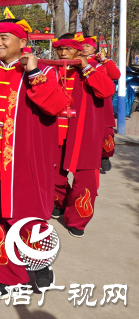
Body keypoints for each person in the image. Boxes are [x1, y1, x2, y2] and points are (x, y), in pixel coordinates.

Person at [0, 18, 68, 296]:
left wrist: (33, 74)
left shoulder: (42, 72)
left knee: (27, 218)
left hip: (24, 162)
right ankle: (7, 278)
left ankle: (39, 264)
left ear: (22, 43)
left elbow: (56, 105)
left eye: (5, 37)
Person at [51, 33, 115, 238]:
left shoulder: (93, 70)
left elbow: (106, 90)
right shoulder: (51, 70)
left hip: (84, 135)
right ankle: (59, 204)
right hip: (54, 135)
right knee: (52, 176)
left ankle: (78, 219)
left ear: (78, 50)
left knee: (85, 181)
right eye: (60, 49)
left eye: (68, 49)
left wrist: (86, 67)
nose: (63, 53)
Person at [79, 34, 120, 172]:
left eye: (88, 46)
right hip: (83, 100)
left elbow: (115, 75)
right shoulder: (74, 62)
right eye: (82, 45)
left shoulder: (100, 63)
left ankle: (105, 155)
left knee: (106, 132)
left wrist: (104, 60)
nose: (84, 48)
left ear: (94, 49)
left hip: (102, 100)